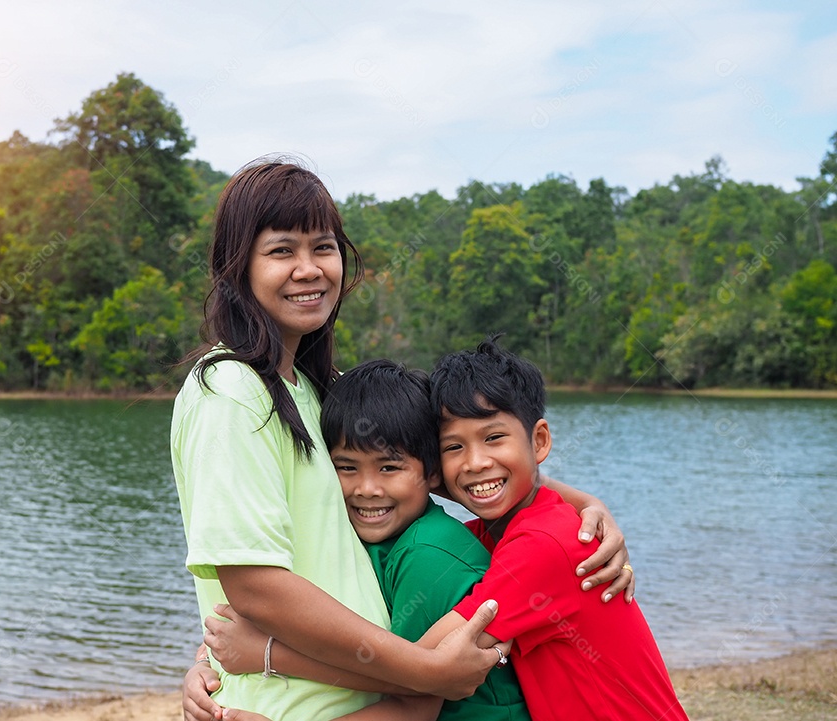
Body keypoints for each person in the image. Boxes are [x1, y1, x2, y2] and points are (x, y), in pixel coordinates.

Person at [173, 159, 631, 721]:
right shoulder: (231, 390)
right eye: (281, 251)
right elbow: (253, 587)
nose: (309, 269)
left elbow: (450, 462)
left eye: (323, 247)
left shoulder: (321, 390)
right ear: (236, 266)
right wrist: (427, 672)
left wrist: (586, 509)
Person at [204, 359, 531, 721]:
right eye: (347, 468)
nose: (367, 489)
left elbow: (414, 697)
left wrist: (266, 654)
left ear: (433, 472)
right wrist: (205, 664)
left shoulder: (427, 554)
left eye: (389, 468)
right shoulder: (366, 535)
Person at [429, 337, 688, 720]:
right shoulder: (500, 530)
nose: (475, 462)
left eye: (493, 438)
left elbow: (427, 657)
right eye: (453, 447)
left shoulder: (542, 544)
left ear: (540, 441)